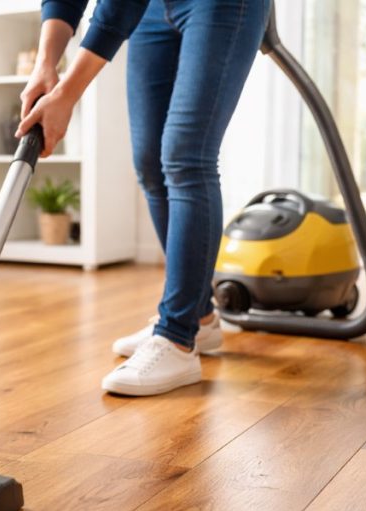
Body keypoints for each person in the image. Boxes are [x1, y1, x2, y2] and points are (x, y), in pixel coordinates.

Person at [18, 0, 270, 396]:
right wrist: (45, 62)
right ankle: (199, 317)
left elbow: (118, 5)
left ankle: (176, 337)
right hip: (153, 9)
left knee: (187, 156)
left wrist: (67, 93)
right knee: (151, 162)